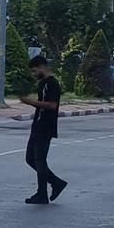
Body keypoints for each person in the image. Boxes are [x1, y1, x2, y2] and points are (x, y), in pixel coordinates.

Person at [20, 54, 66, 204]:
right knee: (30, 159)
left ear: (42, 67)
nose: (34, 75)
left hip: (46, 126)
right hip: (38, 124)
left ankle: (42, 194)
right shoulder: (43, 84)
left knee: (39, 160)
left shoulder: (52, 84)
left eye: (34, 71)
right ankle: (56, 182)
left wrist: (31, 102)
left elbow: (52, 105)